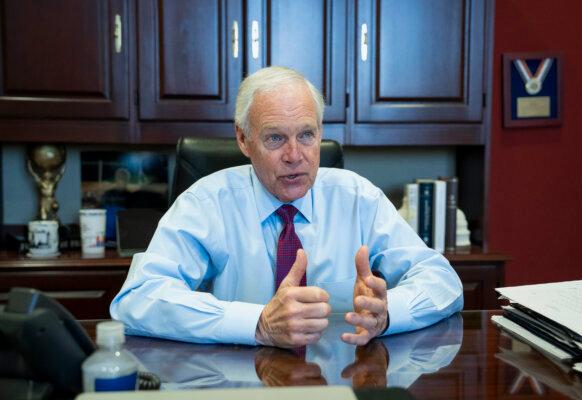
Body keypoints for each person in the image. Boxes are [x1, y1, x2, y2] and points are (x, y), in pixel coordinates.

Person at [110, 66, 463, 348]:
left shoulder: (358, 198)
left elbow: (443, 281)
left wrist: (388, 315)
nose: (295, 156)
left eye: (307, 135)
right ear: (244, 139)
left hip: (339, 378)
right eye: (275, 138)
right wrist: (259, 323)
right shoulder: (207, 203)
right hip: (237, 382)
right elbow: (137, 301)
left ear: (320, 131)